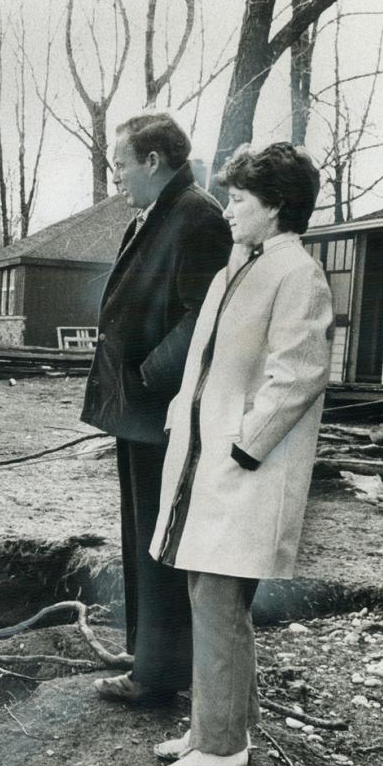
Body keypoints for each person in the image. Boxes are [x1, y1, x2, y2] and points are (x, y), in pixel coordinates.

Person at [149, 141, 332, 766]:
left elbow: (299, 374)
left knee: (221, 599)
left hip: (246, 469)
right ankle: (218, 727)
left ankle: (223, 748)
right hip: (212, 462)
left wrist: (243, 444)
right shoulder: (242, 266)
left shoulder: (297, 274)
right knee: (209, 594)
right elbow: (208, 363)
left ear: (277, 207)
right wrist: (184, 414)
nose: (228, 210)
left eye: (241, 200)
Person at [81, 112, 232, 704]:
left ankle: (159, 677)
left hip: (162, 411)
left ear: (152, 161)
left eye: (120, 163)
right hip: (138, 413)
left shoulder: (196, 216)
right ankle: (147, 652)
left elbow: (206, 315)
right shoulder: (156, 213)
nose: (115, 175)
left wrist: (150, 376)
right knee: (141, 532)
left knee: (161, 537)